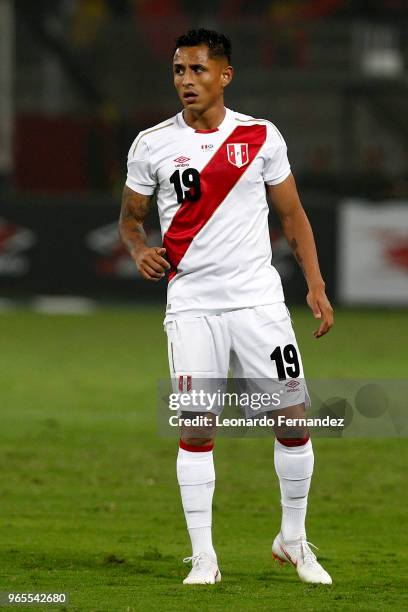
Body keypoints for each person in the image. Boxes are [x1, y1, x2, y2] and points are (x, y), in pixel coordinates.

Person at [119, 28, 334, 586]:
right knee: (196, 428)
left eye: (197, 70)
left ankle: (293, 540)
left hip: (259, 303)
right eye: (178, 71)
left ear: (225, 75)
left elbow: (292, 216)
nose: (186, 81)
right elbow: (130, 218)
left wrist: (314, 284)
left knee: (294, 418)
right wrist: (140, 248)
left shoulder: (261, 136)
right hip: (192, 305)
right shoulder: (151, 144)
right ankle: (204, 558)